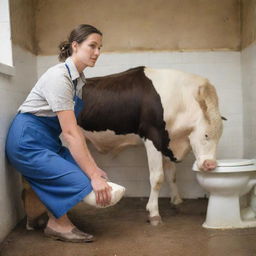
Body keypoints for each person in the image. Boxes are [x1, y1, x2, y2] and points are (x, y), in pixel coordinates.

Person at [5, 24, 124, 243]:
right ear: (75, 46)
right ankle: (58, 225)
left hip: (46, 141)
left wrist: (93, 167)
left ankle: (39, 217)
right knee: (82, 181)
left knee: (85, 172)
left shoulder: (78, 79)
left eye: (100, 47)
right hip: (27, 143)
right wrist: (93, 177)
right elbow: (69, 133)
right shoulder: (60, 77)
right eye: (92, 46)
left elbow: (73, 128)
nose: (97, 52)